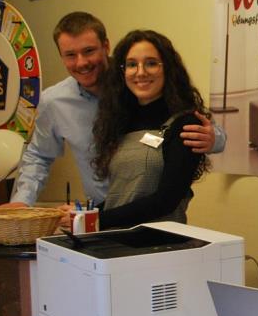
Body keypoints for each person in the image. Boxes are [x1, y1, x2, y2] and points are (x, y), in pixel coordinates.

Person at [9, 11, 224, 207]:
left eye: (89, 51)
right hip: (102, 215)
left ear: (106, 46)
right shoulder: (54, 101)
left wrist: (215, 138)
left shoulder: (138, 83)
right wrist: (21, 202)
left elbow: (189, 118)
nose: (81, 62)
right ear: (61, 57)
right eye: (70, 55)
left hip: (151, 213)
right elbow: (38, 156)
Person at [83, 29, 211, 229]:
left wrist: (97, 220)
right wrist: (84, 215)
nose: (140, 72)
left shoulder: (186, 124)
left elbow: (166, 200)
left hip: (160, 242)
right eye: (132, 64)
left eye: (151, 63)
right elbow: (123, 196)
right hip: (115, 239)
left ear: (168, 69)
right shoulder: (119, 122)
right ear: (122, 72)